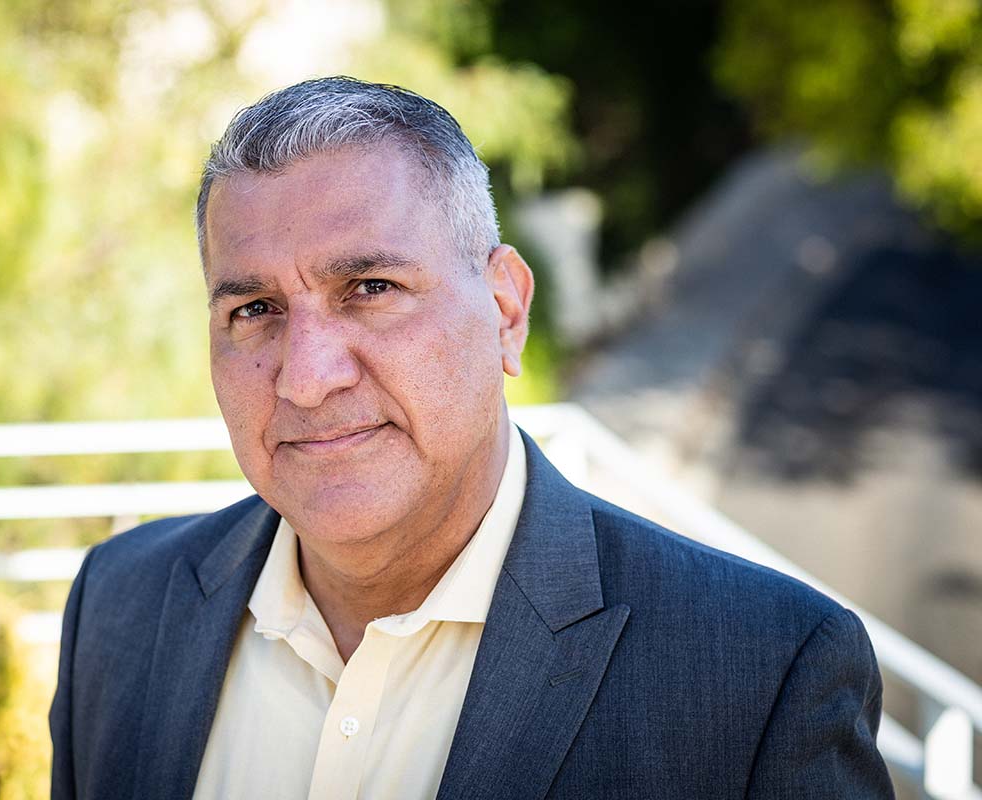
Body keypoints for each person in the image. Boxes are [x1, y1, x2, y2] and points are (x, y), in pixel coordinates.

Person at [49, 76, 893, 799]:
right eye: (255, 309)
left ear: (505, 310)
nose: (306, 377)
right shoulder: (119, 609)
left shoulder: (762, 675)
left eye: (370, 287)